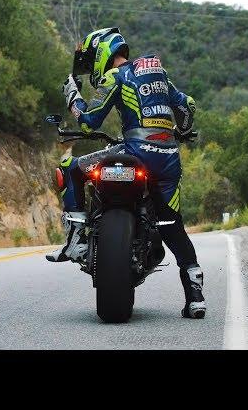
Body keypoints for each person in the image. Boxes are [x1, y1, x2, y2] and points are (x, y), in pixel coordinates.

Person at [45, 27, 205, 319]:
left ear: (102, 53)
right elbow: (187, 105)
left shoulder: (116, 77)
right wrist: (180, 132)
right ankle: (195, 295)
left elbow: (89, 123)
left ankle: (75, 241)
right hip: (168, 160)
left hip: (135, 153)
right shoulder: (159, 74)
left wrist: (73, 98)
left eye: (93, 58)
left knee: (70, 168)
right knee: (171, 223)